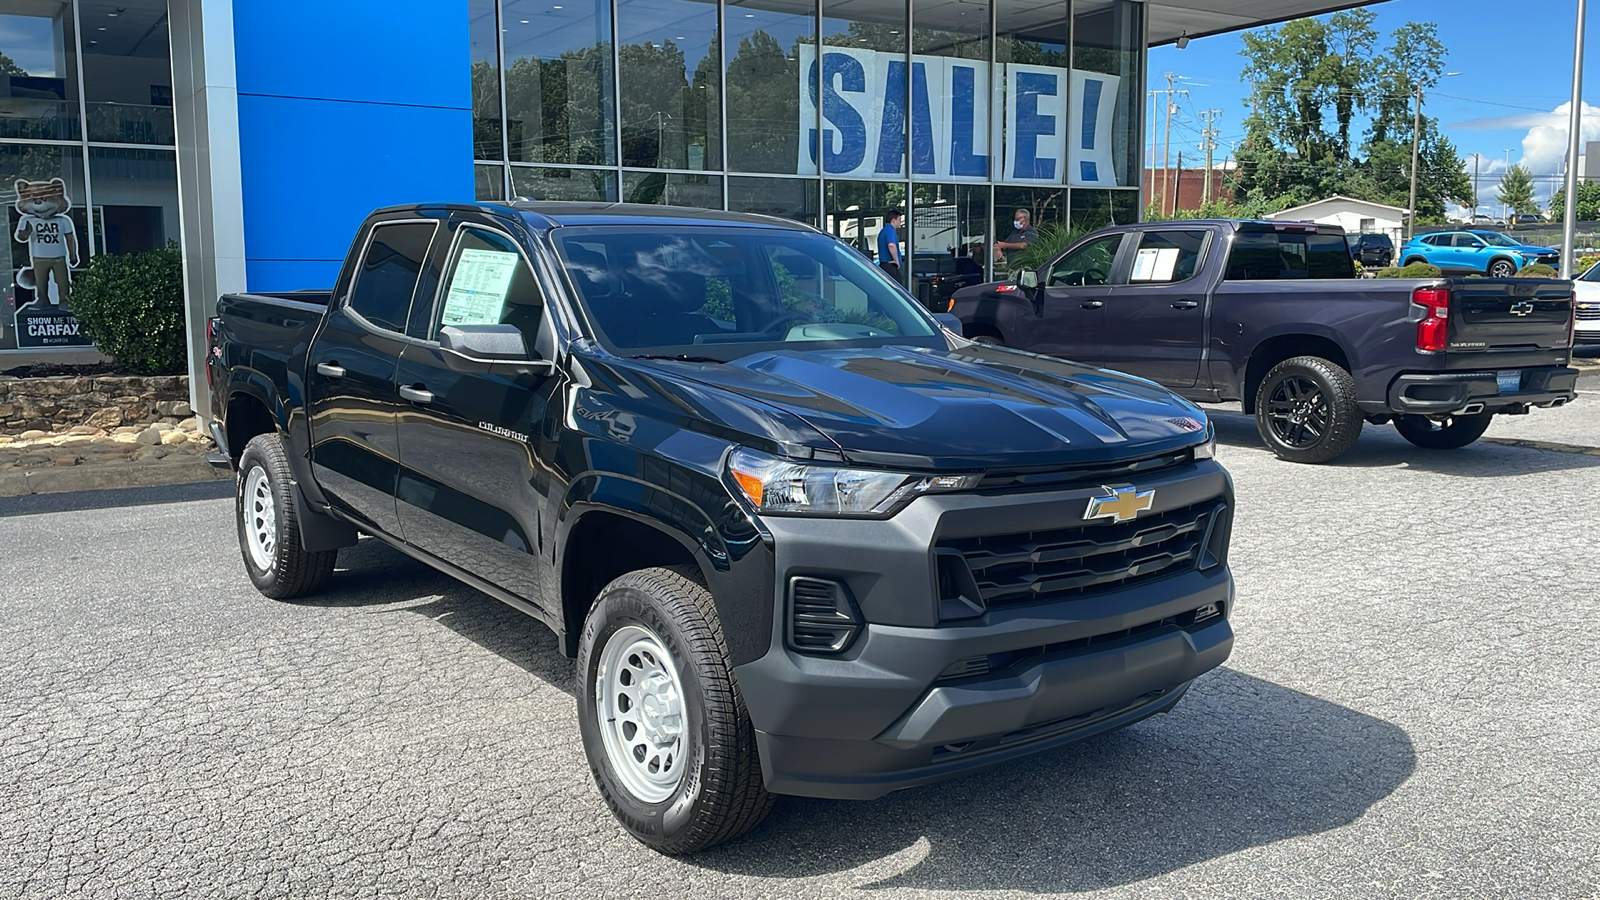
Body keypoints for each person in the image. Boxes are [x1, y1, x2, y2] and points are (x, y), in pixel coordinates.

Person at [877, 208, 904, 282]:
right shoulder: (890, 230)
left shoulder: (883, 231)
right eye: (899, 219)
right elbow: (891, 245)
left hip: (884, 265)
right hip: (890, 266)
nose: (900, 222)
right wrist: (896, 260)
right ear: (893, 220)